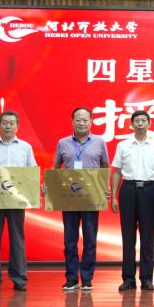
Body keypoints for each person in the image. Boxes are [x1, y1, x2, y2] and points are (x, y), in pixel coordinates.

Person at [0, 110, 37, 292]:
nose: (8, 126)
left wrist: (35, 193)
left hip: (17, 201)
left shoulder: (25, 147)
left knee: (17, 239)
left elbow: (32, 172)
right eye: (5, 123)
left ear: (17, 126)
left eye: (11, 123)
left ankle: (19, 278)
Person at [52, 107, 110, 291]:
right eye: (78, 120)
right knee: (70, 240)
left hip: (91, 198)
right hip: (69, 198)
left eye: (85, 120)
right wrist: (50, 186)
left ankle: (86, 278)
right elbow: (56, 168)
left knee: (90, 239)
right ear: (72, 121)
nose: (82, 123)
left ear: (91, 121)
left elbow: (105, 166)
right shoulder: (63, 143)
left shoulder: (99, 142)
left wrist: (104, 188)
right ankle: (71, 278)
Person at [110, 110, 154, 291]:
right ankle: (128, 278)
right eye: (137, 121)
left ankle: (146, 278)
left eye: (144, 121)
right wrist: (113, 196)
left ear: (149, 124)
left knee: (148, 236)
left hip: (150, 190)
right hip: (128, 189)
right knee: (128, 236)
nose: (141, 124)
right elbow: (117, 171)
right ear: (132, 124)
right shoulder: (123, 145)